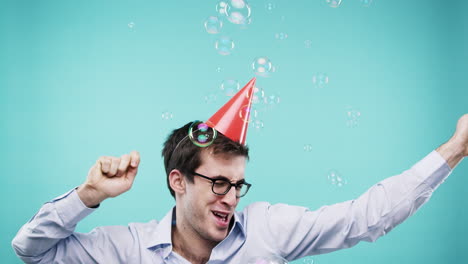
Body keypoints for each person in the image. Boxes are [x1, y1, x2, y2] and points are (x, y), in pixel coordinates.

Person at [11, 80, 468, 263]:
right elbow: (29, 251)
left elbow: (363, 218)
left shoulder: (268, 230)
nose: (231, 197)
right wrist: (89, 195)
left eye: (237, 184)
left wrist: (455, 149)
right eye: (218, 183)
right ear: (178, 181)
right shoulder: (125, 249)